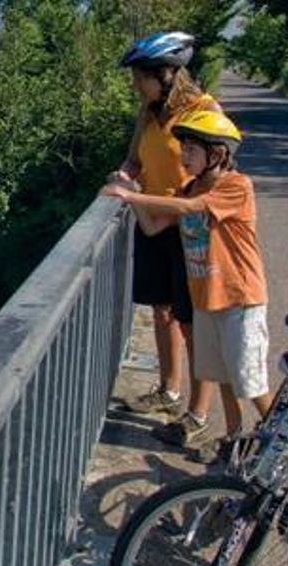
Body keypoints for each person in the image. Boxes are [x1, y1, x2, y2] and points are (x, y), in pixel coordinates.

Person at [102, 110, 274, 462]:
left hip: (239, 298)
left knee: (250, 379)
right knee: (225, 375)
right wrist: (133, 193)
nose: (184, 157)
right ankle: (234, 438)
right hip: (207, 300)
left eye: (192, 150)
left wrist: (132, 197)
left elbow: (194, 207)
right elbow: (152, 228)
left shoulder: (235, 186)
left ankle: (280, 444)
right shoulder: (189, 186)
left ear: (218, 154)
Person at [111, 31, 220, 447]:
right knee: (162, 312)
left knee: (193, 323)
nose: (137, 84)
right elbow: (134, 160)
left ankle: (198, 413)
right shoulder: (149, 113)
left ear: (169, 74)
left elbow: (218, 174)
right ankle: (169, 390)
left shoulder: (202, 110)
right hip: (154, 222)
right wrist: (124, 178)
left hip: (187, 228)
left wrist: (182, 204)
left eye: (142, 76)